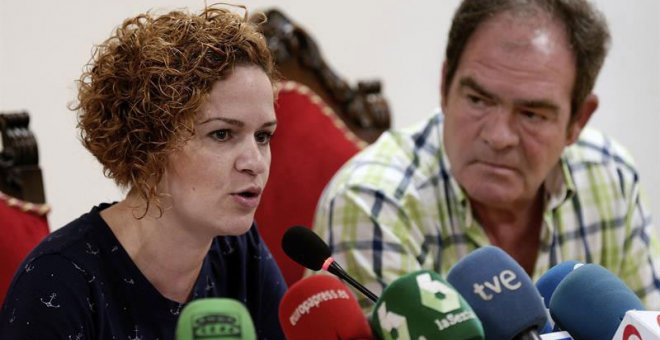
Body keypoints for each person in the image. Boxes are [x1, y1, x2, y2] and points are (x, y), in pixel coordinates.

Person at [310, 0, 660, 311]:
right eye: (478, 100)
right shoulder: (373, 204)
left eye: (531, 114)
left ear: (578, 121)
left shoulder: (610, 177)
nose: (498, 136)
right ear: (445, 86)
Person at [0, 5, 286, 339]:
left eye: (263, 136)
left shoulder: (238, 251)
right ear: (150, 144)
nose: (255, 161)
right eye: (222, 134)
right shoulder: (60, 281)